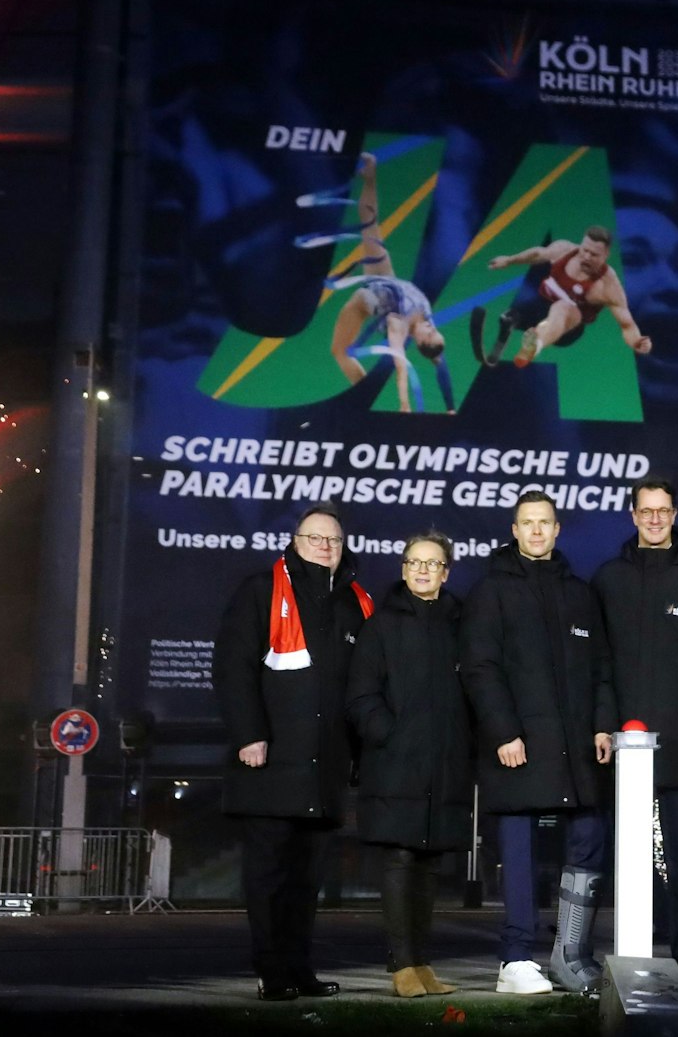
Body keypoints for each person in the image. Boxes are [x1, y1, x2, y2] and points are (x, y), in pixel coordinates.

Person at [459, 490, 617, 994]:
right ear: (514, 530)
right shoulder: (492, 591)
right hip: (519, 745)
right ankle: (515, 958)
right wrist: (504, 731)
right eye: (527, 523)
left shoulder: (579, 593)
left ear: (556, 529)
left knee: (589, 836)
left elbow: (602, 670)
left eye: (544, 523)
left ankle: (570, 954)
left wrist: (601, 724)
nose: (536, 531)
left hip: (577, 748)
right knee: (520, 847)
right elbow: (480, 669)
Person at [214, 503, 373, 1001]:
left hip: (323, 771)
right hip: (270, 766)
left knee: (307, 883)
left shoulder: (356, 603)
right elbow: (232, 669)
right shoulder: (261, 591)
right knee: (267, 877)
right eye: (315, 538)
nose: (325, 547)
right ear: (295, 541)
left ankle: (300, 968)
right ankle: (271, 970)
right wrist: (249, 735)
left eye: (334, 540)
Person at [590, 478, 678, 991]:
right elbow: (600, 662)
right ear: (632, 515)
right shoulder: (609, 579)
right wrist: (602, 725)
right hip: (625, 751)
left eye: (662, 511)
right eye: (645, 511)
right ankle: (635, 952)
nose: (654, 519)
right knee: (628, 860)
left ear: (674, 514)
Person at [346, 532, 472, 998]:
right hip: (395, 763)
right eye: (413, 562)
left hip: (445, 765)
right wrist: (391, 736)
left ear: (446, 572)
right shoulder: (380, 627)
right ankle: (401, 964)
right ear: (403, 569)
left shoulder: (461, 624)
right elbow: (361, 696)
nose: (422, 570)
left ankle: (422, 963)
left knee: (429, 865)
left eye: (432, 563)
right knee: (399, 859)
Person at [310, 151, 454, 412]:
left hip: (364, 302)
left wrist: (404, 404)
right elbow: (440, 364)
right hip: (384, 278)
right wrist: (451, 407)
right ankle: (370, 176)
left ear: (420, 341)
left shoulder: (399, 325)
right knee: (369, 224)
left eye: (430, 332)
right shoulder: (425, 320)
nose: (432, 326)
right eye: (435, 328)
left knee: (339, 352)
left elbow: (400, 365)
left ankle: (362, 393)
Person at [477, 225, 653, 367]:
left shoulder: (607, 285)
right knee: (510, 316)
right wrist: (509, 260)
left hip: (569, 328)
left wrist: (637, 342)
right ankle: (505, 334)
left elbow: (627, 325)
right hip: (539, 308)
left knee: (562, 307)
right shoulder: (564, 250)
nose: (586, 257)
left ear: (606, 255)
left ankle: (534, 345)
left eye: (594, 255)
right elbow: (538, 253)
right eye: (584, 250)